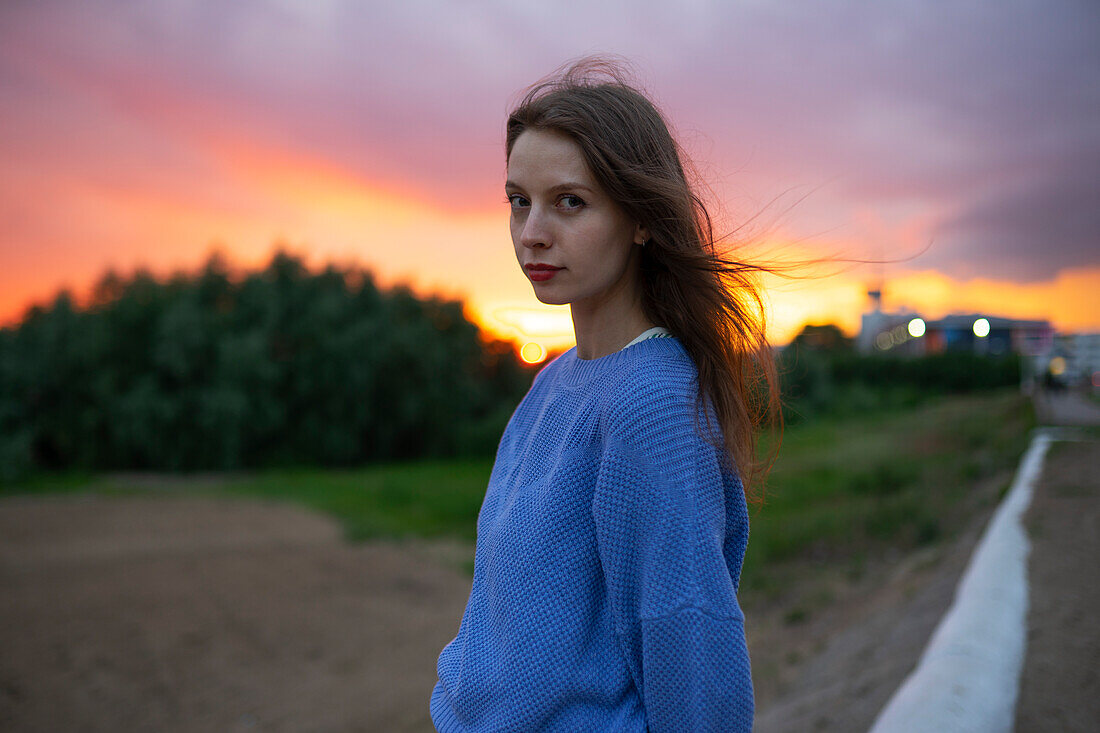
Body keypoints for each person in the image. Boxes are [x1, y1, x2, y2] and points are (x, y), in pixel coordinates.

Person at [430, 57, 778, 733]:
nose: (532, 231)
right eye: (518, 200)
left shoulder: (653, 404)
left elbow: (691, 645)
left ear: (642, 219)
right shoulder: (553, 383)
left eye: (570, 201)